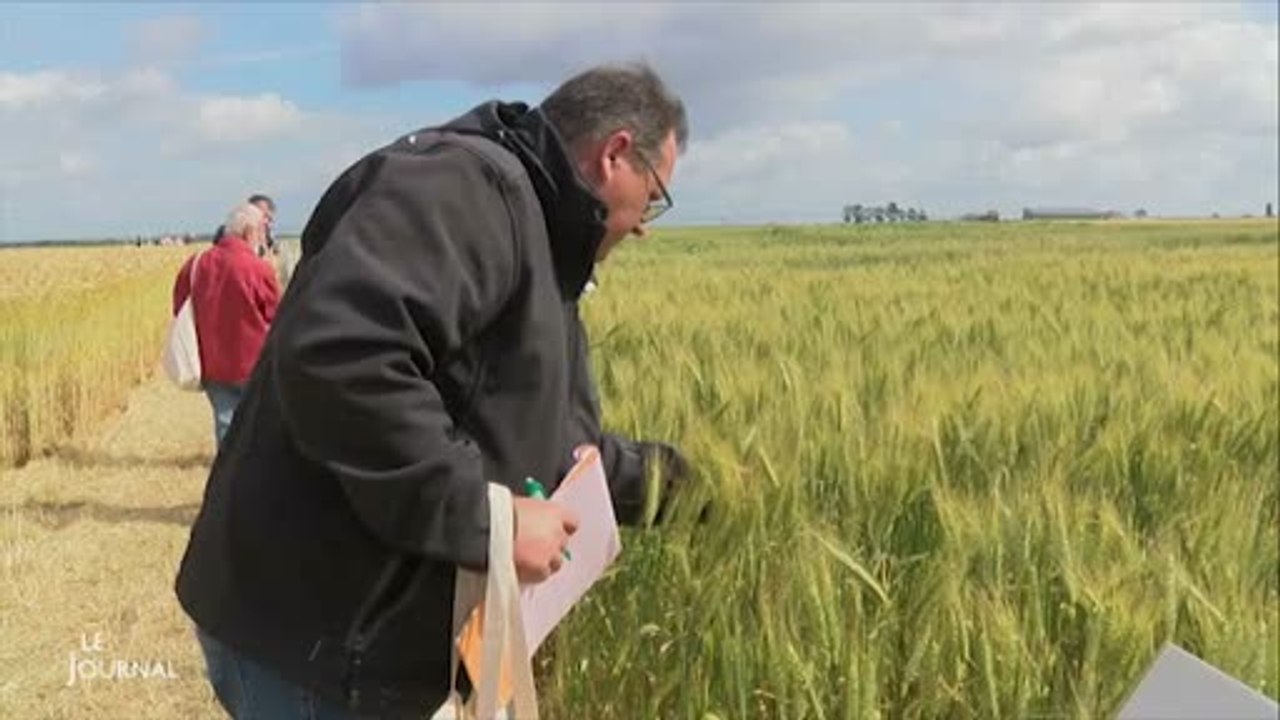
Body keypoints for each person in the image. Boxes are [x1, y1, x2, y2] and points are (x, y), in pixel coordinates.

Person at [174, 61, 693, 719]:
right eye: (653, 197)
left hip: (346, 640)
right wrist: (487, 523)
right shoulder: (467, 189)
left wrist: (686, 487)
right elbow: (343, 357)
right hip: (316, 646)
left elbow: (547, 441)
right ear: (616, 153)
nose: (645, 223)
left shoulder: (536, 234)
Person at [171, 201, 282, 448]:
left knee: (225, 421)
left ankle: (228, 472)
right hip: (253, 362)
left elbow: (179, 307)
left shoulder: (196, 263)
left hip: (212, 361)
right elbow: (275, 315)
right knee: (259, 423)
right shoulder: (258, 268)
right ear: (249, 232)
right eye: (261, 232)